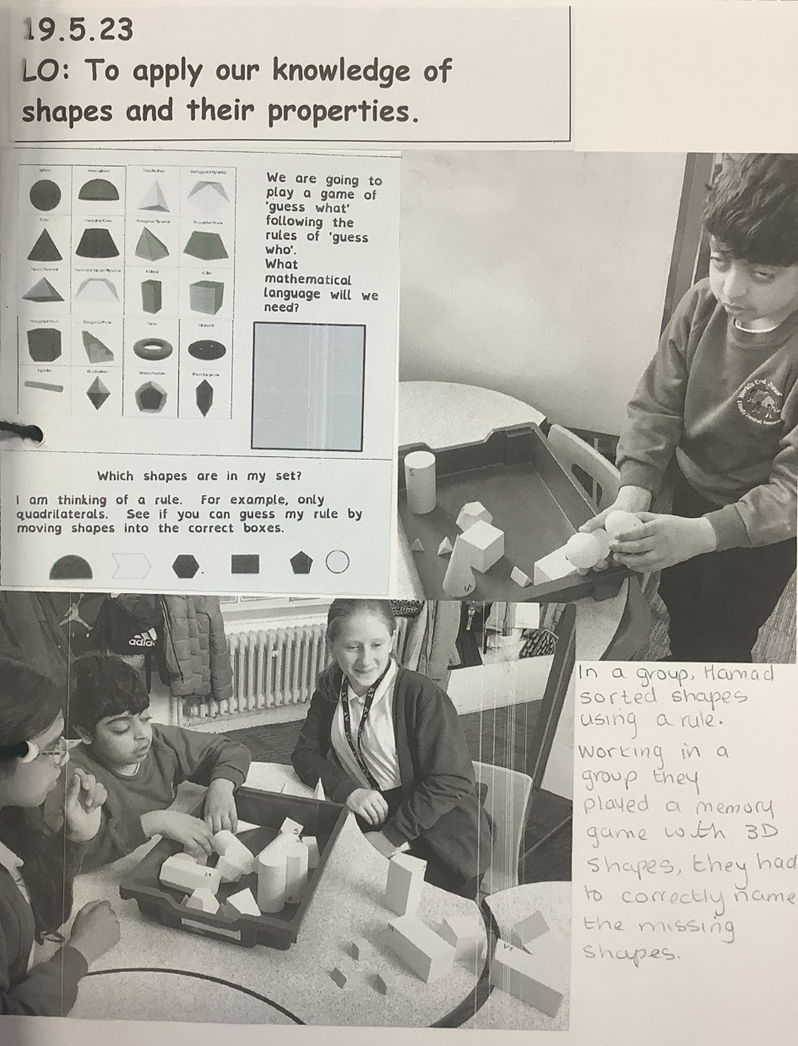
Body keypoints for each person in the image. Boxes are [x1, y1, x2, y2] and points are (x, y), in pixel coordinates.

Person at [584, 154, 798, 662]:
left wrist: (706, 534)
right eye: (719, 261)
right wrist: (634, 492)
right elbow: (657, 404)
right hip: (687, 494)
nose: (731, 288)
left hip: (759, 534)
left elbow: (792, 492)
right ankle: (682, 646)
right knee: (680, 594)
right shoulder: (701, 305)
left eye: (762, 273)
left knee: (723, 631)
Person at [291, 599, 491, 898]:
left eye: (376, 644)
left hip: (441, 835)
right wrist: (349, 790)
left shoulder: (421, 695)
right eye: (352, 647)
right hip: (374, 817)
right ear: (331, 645)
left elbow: (453, 780)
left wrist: (390, 837)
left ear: (393, 639)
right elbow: (304, 755)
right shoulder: (331, 689)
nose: (365, 660)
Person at [0, 657, 120, 1015]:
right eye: (51, 748)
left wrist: (74, 840)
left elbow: (36, 919)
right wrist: (78, 954)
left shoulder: (10, 817)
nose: (63, 760)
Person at [63, 653, 251, 871]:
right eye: (121, 729)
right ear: (85, 733)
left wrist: (221, 786)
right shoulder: (77, 780)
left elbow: (232, 750)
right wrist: (154, 822)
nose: (142, 734)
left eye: (145, 718)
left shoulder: (161, 744)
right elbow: (72, 862)